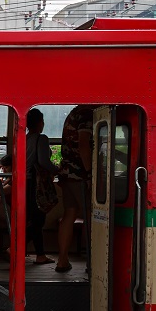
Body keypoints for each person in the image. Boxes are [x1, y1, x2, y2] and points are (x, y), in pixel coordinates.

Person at [56, 105, 92, 273]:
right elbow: (84, 145)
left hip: (67, 173)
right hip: (80, 175)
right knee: (92, 217)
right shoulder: (86, 114)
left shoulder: (75, 112)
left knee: (69, 214)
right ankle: (92, 262)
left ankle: (62, 260)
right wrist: (90, 173)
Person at [26, 109, 58, 265]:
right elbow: (44, 162)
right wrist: (58, 170)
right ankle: (17, 248)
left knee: (32, 219)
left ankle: (38, 253)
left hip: (24, 184)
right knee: (38, 220)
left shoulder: (23, 139)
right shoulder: (41, 139)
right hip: (35, 184)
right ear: (40, 123)